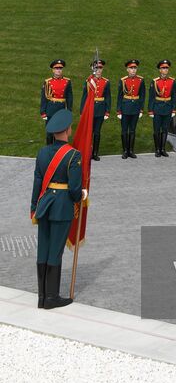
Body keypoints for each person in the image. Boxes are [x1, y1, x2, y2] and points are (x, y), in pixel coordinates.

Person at [30, 109, 85, 309]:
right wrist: (82, 196)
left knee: (43, 249)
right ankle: (52, 298)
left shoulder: (42, 152)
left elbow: (37, 181)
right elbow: (75, 189)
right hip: (62, 206)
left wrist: (33, 206)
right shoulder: (73, 155)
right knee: (55, 251)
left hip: (44, 205)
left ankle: (42, 297)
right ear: (67, 130)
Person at [81, 58, 111, 161]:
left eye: (100, 68)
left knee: (97, 132)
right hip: (90, 109)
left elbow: (108, 97)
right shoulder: (89, 81)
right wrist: (82, 111)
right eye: (96, 68)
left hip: (100, 109)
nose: (98, 70)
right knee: (89, 132)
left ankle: (95, 153)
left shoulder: (106, 82)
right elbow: (84, 96)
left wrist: (107, 111)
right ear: (93, 69)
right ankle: (88, 152)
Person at [148, 60, 176, 158]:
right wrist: (150, 110)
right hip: (157, 108)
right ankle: (157, 149)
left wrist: (173, 109)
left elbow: (174, 96)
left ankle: (163, 149)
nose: (165, 70)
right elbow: (151, 97)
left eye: (167, 68)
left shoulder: (172, 81)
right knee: (156, 130)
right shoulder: (155, 82)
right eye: (163, 68)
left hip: (168, 108)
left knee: (165, 129)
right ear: (160, 70)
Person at [117, 59, 145, 160]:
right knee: (124, 130)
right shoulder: (123, 80)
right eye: (131, 68)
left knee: (132, 130)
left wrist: (141, 109)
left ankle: (131, 151)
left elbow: (142, 96)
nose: (133, 70)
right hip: (125, 108)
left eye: (135, 68)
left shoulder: (140, 80)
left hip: (135, 108)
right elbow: (119, 96)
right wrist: (119, 110)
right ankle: (125, 151)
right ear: (127, 69)